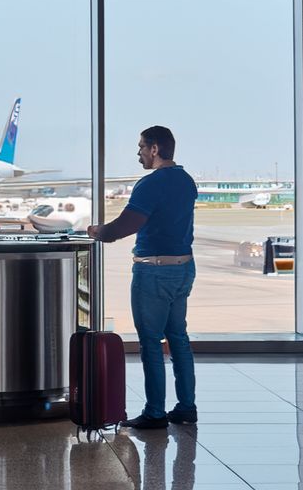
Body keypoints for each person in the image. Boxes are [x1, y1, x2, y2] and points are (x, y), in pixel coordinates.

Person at [87, 126, 198, 429]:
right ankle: (186, 407)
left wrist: (97, 231)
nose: (138, 153)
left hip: (154, 270)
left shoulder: (151, 183)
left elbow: (124, 226)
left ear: (155, 149)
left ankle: (155, 413)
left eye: (141, 147)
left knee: (150, 342)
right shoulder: (186, 181)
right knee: (178, 338)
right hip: (183, 268)